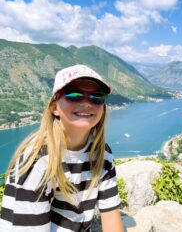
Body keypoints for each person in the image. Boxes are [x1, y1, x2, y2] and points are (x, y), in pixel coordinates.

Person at [0, 64, 124, 232]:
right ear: (54, 108)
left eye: (97, 97)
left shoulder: (102, 154)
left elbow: (111, 219)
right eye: (74, 95)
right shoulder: (39, 160)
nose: (87, 102)